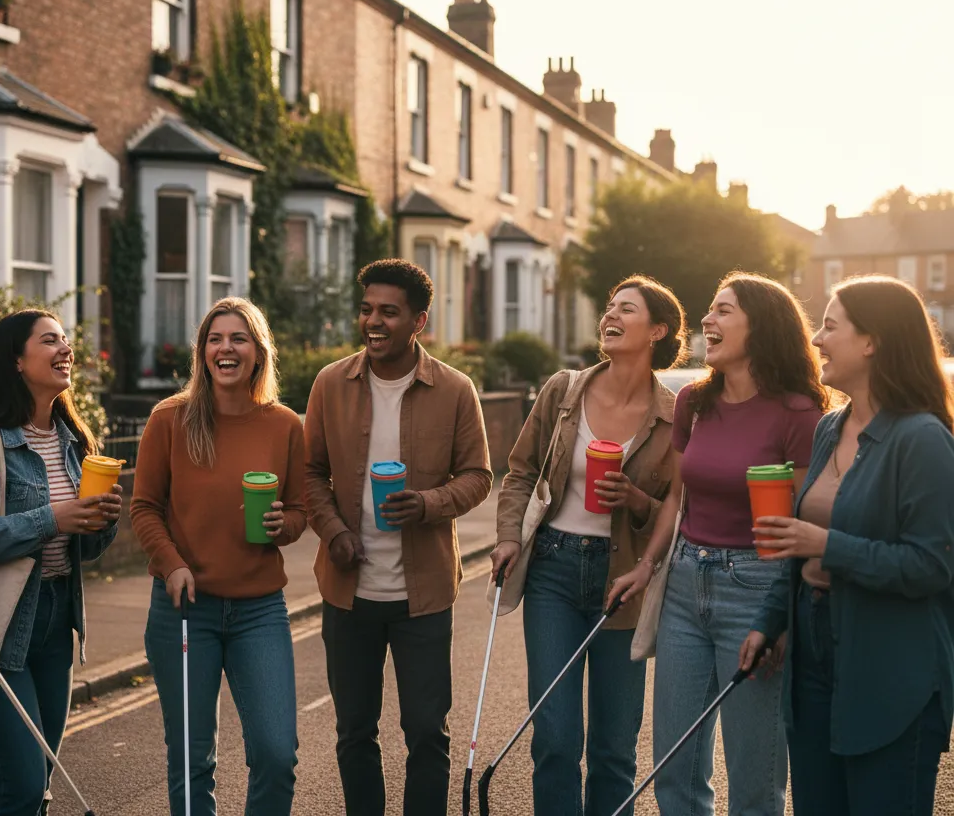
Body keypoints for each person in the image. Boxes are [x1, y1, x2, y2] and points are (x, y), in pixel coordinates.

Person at [608, 272, 827, 816]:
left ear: (763, 326)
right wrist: (648, 565)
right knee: (674, 774)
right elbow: (678, 501)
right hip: (684, 584)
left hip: (756, 588)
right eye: (710, 309)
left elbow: (798, 524)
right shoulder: (693, 402)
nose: (707, 320)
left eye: (724, 311)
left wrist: (778, 616)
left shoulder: (800, 413)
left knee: (755, 785)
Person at [740, 276, 954, 815]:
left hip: (890, 670)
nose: (815, 339)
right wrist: (770, 620)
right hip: (812, 653)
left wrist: (827, 544)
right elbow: (797, 543)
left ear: (872, 341)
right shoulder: (829, 429)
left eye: (830, 326)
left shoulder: (924, 439)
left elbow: (932, 565)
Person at [492, 275, 687, 816]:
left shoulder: (674, 417)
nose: (612, 315)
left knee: (613, 748)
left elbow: (675, 509)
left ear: (658, 330)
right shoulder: (564, 389)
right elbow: (520, 471)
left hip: (621, 580)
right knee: (554, 737)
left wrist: (635, 497)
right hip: (553, 568)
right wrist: (509, 537)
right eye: (610, 306)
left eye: (628, 308)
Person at [305, 258, 493, 816]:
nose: (374, 322)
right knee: (354, 732)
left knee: (427, 734)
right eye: (367, 310)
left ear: (419, 321)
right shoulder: (330, 384)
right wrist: (334, 529)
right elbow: (310, 474)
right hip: (348, 592)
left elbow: (479, 476)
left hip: (424, 596)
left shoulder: (456, 390)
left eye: (389, 312)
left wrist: (429, 504)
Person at [0, 309, 122, 816]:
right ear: (16, 361)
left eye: (66, 340)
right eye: (50, 341)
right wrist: (53, 519)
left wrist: (101, 522)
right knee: (20, 784)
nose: (66, 349)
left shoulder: (73, 441)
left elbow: (79, 550)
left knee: (39, 783)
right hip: (0, 623)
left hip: (57, 619)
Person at [131, 297, 305, 816]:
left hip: (259, 610)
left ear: (258, 352)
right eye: (215, 338)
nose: (225, 348)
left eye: (238, 338)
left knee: (277, 754)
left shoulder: (285, 425)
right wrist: (172, 562)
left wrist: (284, 524)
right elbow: (143, 508)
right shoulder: (170, 418)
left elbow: (299, 510)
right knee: (192, 758)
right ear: (203, 352)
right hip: (185, 611)